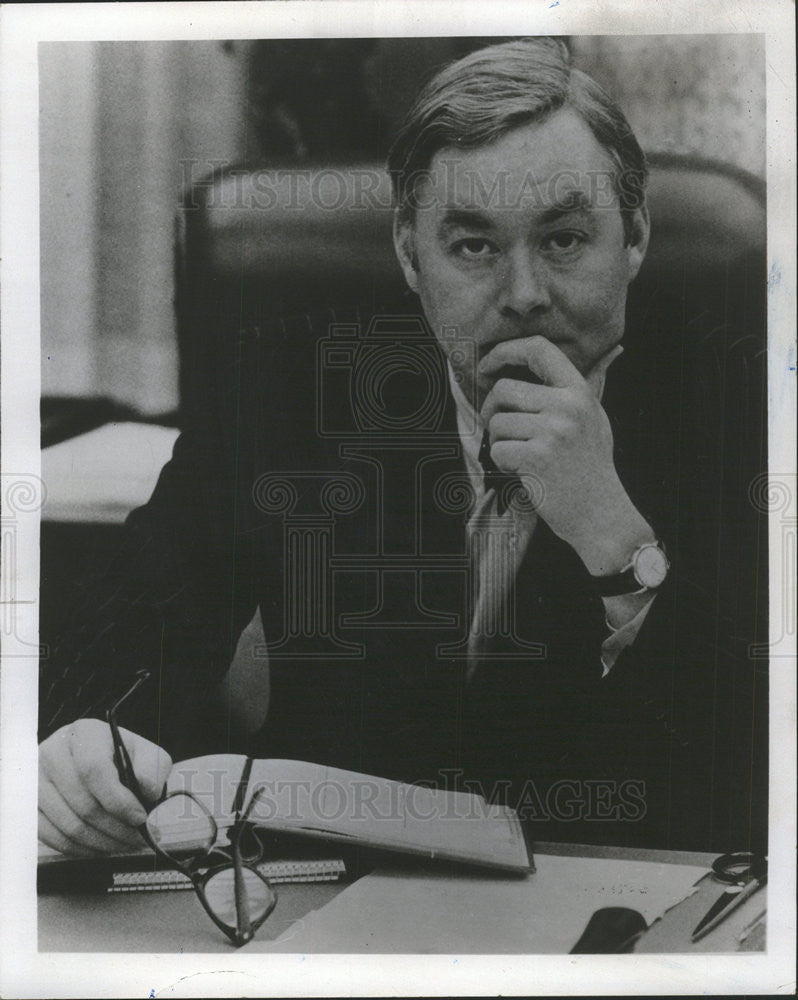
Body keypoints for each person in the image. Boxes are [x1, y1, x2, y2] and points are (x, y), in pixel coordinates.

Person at [38, 38, 767, 857]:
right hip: (328, 899)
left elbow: (758, 761)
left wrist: (614, 538)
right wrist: (90, 745)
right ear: (409, 256)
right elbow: (131, 630)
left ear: (633, 236)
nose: (525, 294)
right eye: (473, 246)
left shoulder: (748, 413)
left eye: (564, 240)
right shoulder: (289, 390)